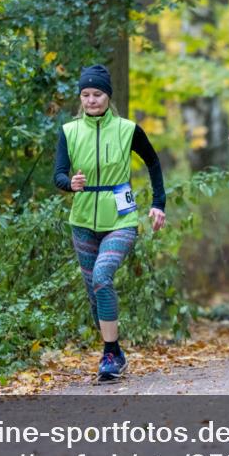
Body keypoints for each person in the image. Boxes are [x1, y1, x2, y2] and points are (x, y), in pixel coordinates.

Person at [54, 64, 166, 382]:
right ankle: (114, 351)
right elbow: (58, 173)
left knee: (103, 275)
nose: (91, 100)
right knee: (94, 291)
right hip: (83, 220)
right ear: (81, 98)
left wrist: (159, 204)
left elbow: (153, 162)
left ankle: (109, 353)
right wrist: (69, 183)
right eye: (86, 95)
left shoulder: (128, 129)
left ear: (108, 96)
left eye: (97, 94)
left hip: (121, 218)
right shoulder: (70, 131)